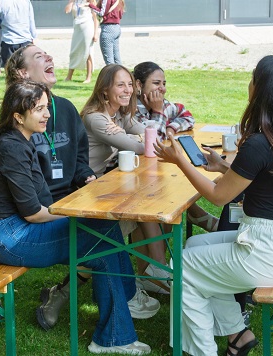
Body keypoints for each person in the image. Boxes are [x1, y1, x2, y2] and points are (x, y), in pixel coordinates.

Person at [0, 45, 159, 334]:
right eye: (39, 57)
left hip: (61, 198)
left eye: (45, 108)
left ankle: (64, 295)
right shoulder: (15, 132)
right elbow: (23, 197)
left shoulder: (65, 109)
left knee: (98, 232)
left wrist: (85, 178)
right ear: (22, 74)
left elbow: (81, 157)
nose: (50, 58)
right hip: (28, 209)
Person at [154, 55, 273, 356]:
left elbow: (217, 197)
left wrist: (180, 160)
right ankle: (236, 333)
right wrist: (222, 167)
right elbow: (267, 181)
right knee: (193, 245)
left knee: (182, 265)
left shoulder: (259, 142)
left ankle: (201, 351)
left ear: (261, 91)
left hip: (269, 251)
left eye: (253, 78)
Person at [80, 63, 171, 294]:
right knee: (145, 204)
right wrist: (149, 137)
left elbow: (149, 133)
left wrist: (152, 135)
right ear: (104, 90)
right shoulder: (96, 118)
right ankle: (159, 273)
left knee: (147, 200)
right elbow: (140, 146)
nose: (128, 90)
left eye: (130, 84)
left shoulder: (119, 114)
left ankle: (151, 273)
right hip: (89, 187)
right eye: (120, 85)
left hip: (109, 180)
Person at [132, 61, 220, 233]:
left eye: (164, 83)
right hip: (138, 176)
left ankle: (196, 215)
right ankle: (198, 216)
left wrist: (171, 127)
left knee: (178, 175)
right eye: (156, 83)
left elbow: (187, 115)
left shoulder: (164, 104)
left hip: (154, 169)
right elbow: (152, 142)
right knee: (171, 182)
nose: (163, 89)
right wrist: (158, 113)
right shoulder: (133, 109)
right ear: (138, 85)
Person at [0, 0, 36, 68]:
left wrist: (3, 23)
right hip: (25, 40)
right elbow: (31, 21)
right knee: (26, 70)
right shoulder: (26, 2)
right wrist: (33, 36)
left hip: (8, 41)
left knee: (11, 72)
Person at [64, 0, 98, 83]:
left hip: (87, 27)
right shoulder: (75, 2)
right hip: (77, 28)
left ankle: (88, 77)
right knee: (74, 51)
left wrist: (96, 33)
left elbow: (95, 18)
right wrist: (71, 2)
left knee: (88, 51)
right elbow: (67, 11)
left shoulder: (91, 2)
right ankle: (69, 76)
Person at [88, 0, 124, 65]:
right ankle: (122, 74)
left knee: (109, 61)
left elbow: (102, 13)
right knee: (117, 59)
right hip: (117, 27)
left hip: (108, 29)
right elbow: (121, 14)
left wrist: (90, 5)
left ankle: (113, 75)